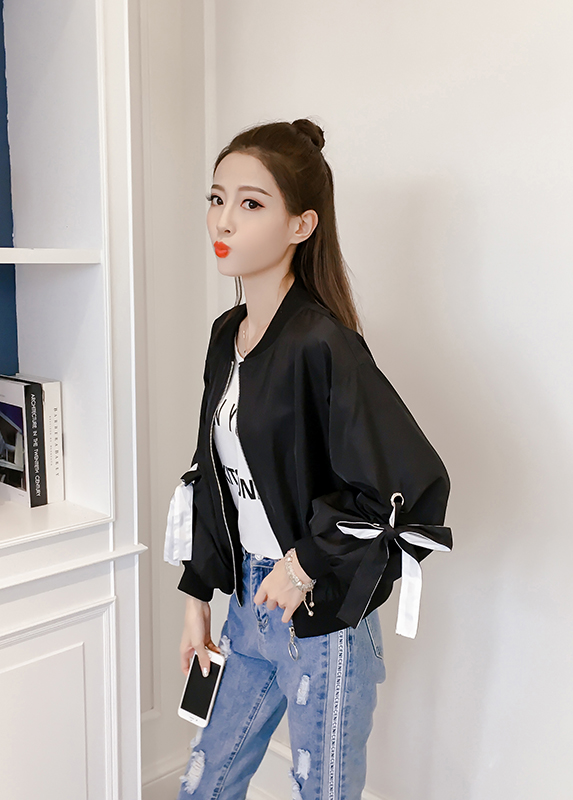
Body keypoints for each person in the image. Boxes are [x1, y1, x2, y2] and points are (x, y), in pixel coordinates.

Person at [166, 119, 452, 800]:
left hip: (320, 622)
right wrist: (197, 595)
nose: (223, 220)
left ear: (301, 225)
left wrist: (303, 565)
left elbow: (403, 486)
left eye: (250, 203)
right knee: (205, 783)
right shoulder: (226, 336)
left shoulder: (324, 344)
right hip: (247, 603)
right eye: (217, 199)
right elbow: (212, 473)